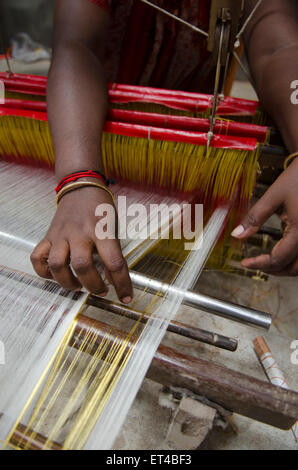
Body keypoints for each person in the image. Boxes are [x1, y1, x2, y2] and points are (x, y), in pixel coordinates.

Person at [30, 0, 298, 304]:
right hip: (91, 128)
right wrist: (78, 176)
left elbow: (278, 46)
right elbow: (77, 47)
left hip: (191, 148)